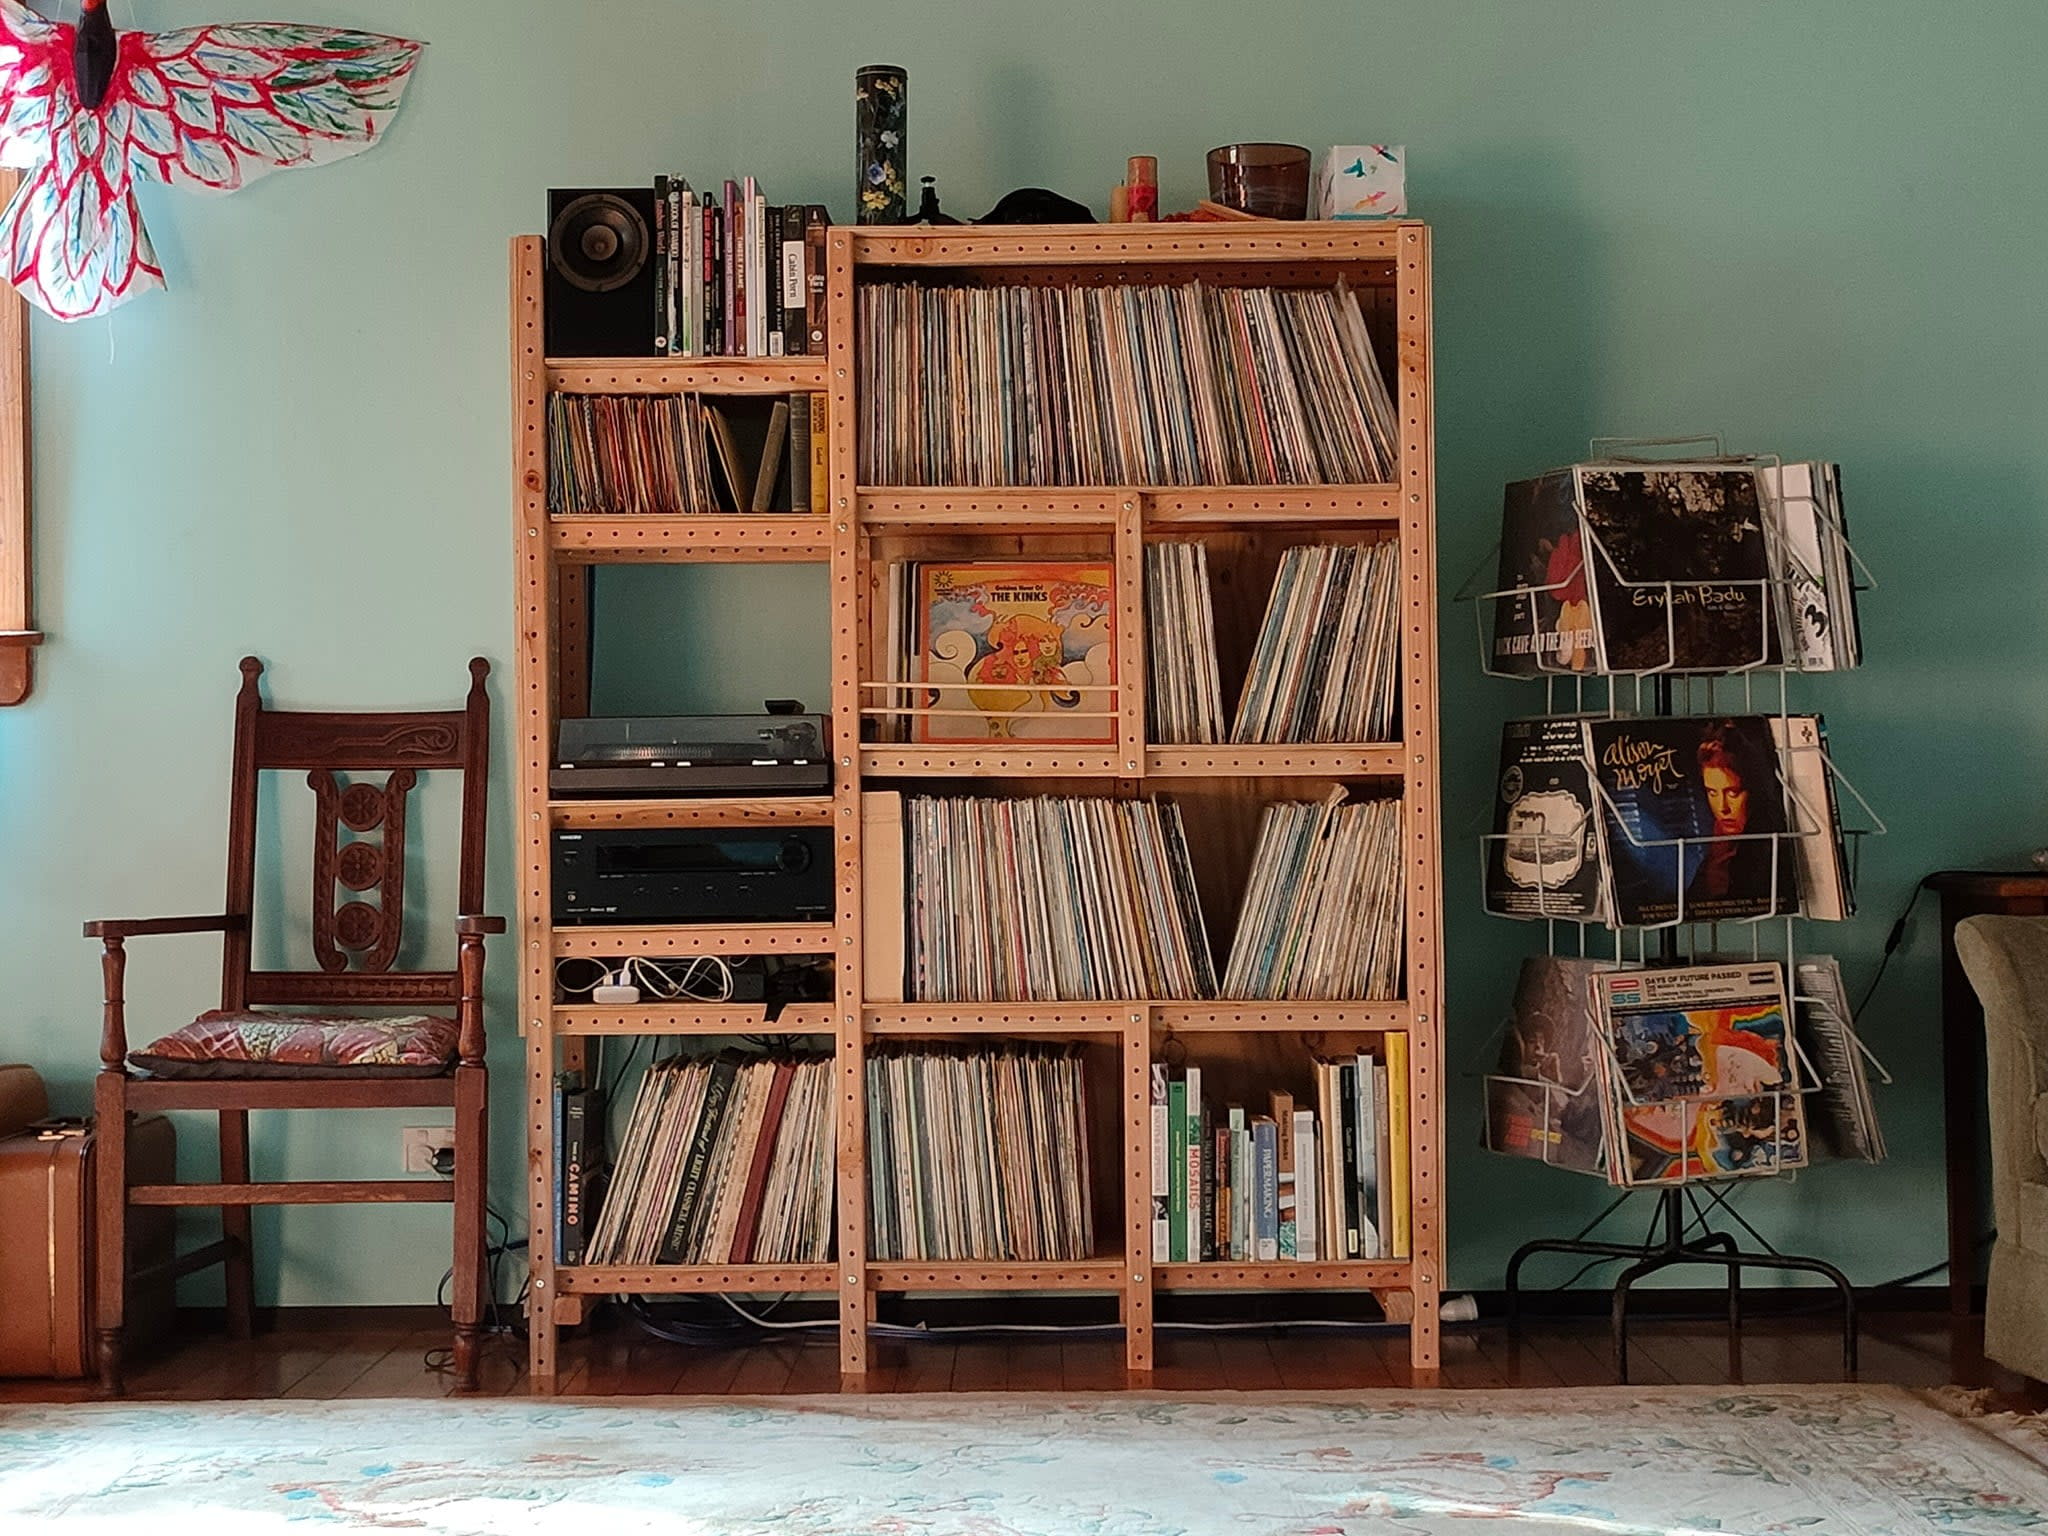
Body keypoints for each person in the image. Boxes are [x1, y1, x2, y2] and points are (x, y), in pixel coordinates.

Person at [1685, 721, 1790, 914]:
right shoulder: (1714, 847)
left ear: (1753, 789)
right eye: (1712, 793)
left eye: (1732, 793)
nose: (1722, 808)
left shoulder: (1767, 849)